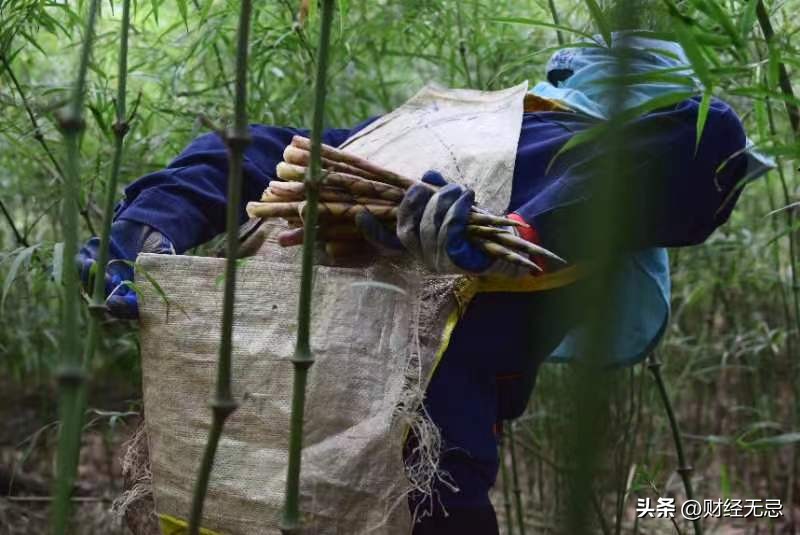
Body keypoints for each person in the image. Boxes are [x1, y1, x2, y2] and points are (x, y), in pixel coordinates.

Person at [77, 34, 768, 534]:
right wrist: (146, 229)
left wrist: (509, 232)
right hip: (312, 433)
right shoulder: (454, 136)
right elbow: (258, 150)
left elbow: (705, 144)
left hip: (382, 450)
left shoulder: (635, 165)